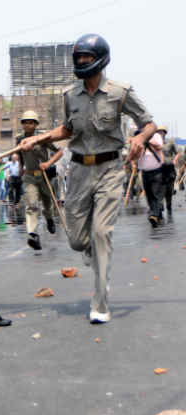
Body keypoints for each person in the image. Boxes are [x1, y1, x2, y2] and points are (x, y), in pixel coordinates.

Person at [19, 34, 156, 324]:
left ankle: (100, 303)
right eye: (78, 57)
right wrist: (37, 139)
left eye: (87, 57)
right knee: (77, 241)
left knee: (101, 233)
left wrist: (140, 138)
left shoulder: (120, 92)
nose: (81, 61)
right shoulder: (70, 95)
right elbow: (67, 130)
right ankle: (91, 249)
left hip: (110, 170)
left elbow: (149, 124)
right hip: (79, 171)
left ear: (100, 59)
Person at [16, 110, 63, 250]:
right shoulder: (19, 139)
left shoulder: (42, 137)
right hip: (29, 176)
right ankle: (33, 234)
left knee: (47, 203)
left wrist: (48, 163)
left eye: (31, 122)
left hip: (44, 175)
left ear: (36, 124)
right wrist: (20, 167)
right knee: (31, 204)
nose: (28, 125)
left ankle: (49, 218)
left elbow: (60, 151)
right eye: (25, 122)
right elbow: (19, 154)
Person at [135, 128, 165, 227]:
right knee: (149, 195)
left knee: (155, 193)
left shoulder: (156, 137)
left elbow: (159, 146)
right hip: (144, 172)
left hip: (157, 171)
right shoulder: (140, 141)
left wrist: (148, 141)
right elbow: (135, 154)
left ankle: (154, 215)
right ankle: (157, 214)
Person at [157, 126, 180, 217]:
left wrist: (174, 160)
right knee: (159, 189)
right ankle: (160, 207)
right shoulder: (154, 143)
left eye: (161, 132)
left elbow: (177, 153)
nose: (160, 133)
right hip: (159, 169)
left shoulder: (170, 142)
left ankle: (169, 207)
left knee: (169, 190)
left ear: (165, 133)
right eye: (158, 132)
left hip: (169, 169)